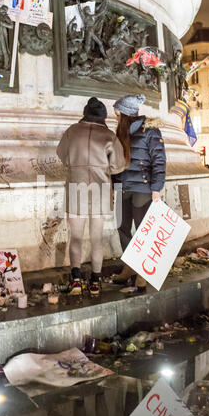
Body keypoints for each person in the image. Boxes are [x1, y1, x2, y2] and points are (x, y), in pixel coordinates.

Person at [57, 97, 125, 295]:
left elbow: (62, 155)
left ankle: (76, 279)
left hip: (76, 188)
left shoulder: (72, 131)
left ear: (85, 113)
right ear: (103, 117)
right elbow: (117, 166)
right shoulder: (109, 136)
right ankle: (95, 281)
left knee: (76, 236)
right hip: (100, 191)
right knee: (96, 238)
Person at [112, 94, 166, 292]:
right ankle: (130, 266)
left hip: (143, 189)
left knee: (142, 232)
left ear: (126, 115)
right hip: (123, 188)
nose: (116, 118)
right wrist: (114, 187)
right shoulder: (120, 133)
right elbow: (116, 164)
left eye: (118, 115)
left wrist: (156, 189)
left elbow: (159, 161)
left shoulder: (150, 131)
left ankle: (142, 272)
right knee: (122, 228)